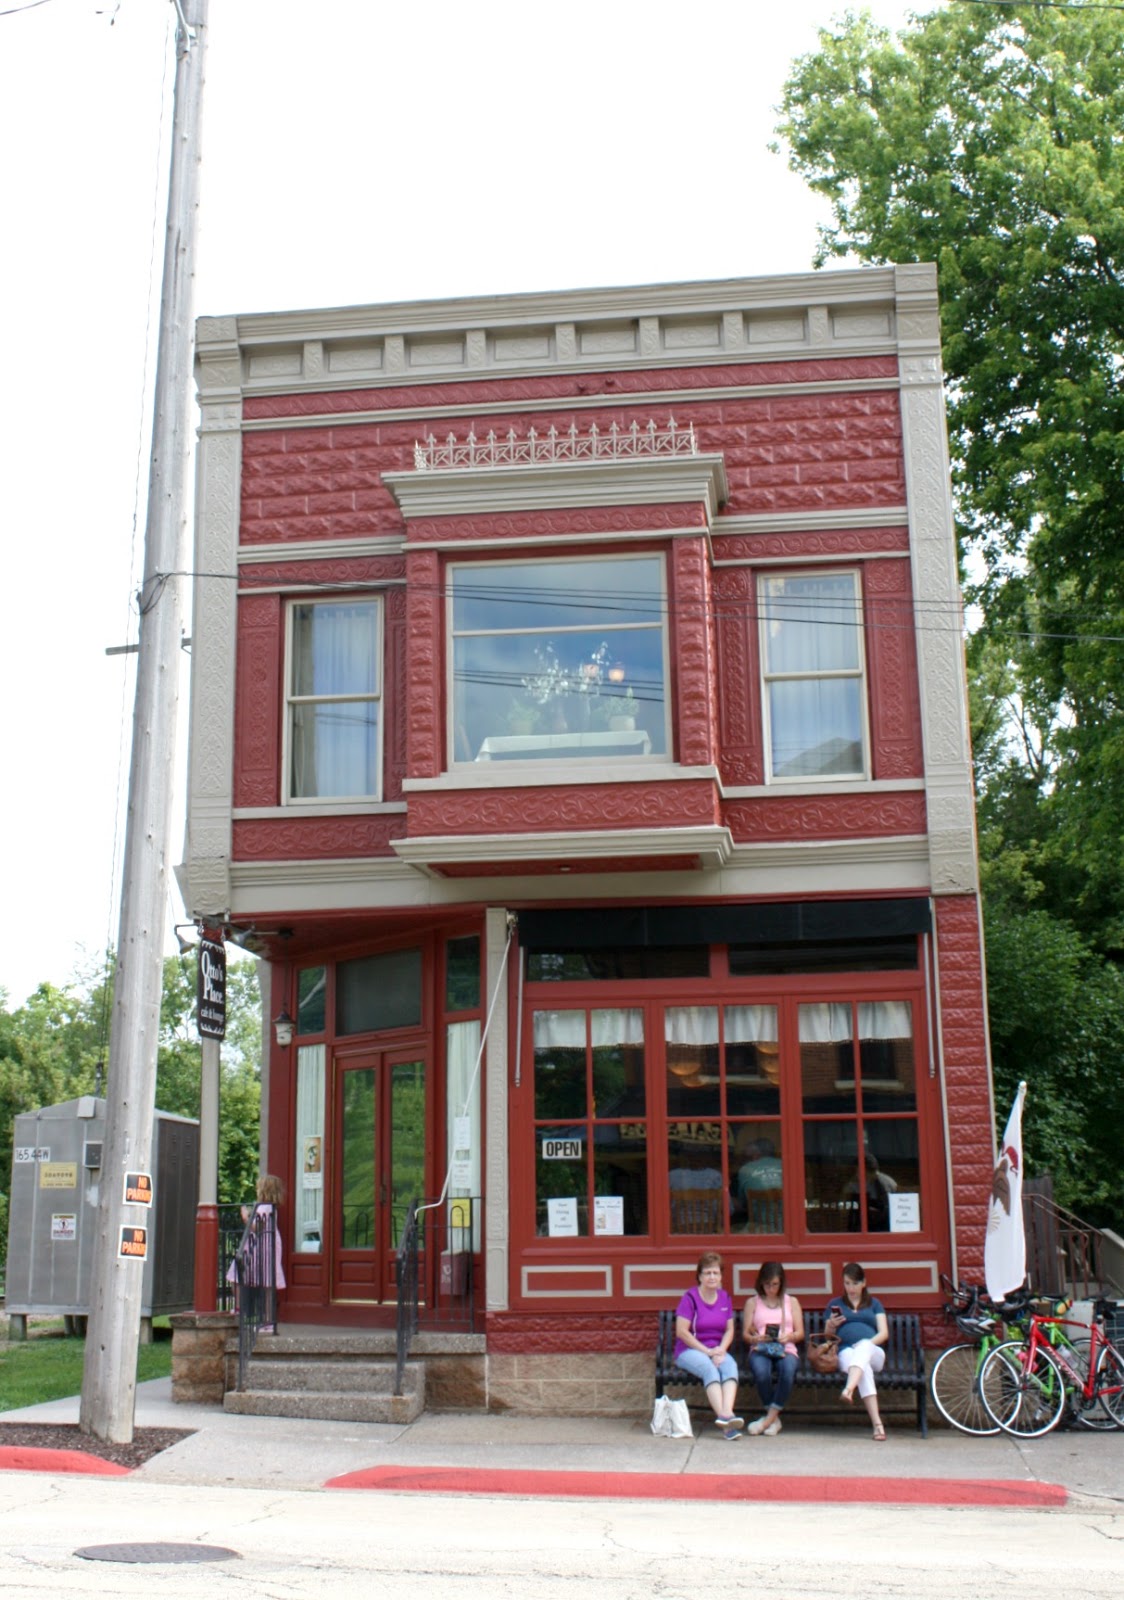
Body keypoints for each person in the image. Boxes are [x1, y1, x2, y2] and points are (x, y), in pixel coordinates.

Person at [673, 1251, 744, 1439]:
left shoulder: (724, 1297)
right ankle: (727, 1424)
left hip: (716, 1349)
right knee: (709, 1369)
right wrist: (707, 1352)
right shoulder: (690, 1298)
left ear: (721, 1276)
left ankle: (726, 1413)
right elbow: (682, 1332)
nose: (712, 1277)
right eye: (707, 1273)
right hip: (690, 1350)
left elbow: (729, 1329)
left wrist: (721, 1350)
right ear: (699, 1276)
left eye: (715, 1273)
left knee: (730, 1365)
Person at [824, 1260, 889, 1440]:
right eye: (847, 1283)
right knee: (863, 1368)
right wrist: (831, 1325)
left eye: (855, 1283)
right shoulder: (835, 1304)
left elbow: (884, 1333)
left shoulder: (874, 1304)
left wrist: (865, 1344)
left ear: (864, 1283)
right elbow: (828, 1337)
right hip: (846, 1352)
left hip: (874, 1352)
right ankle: (877, 1425)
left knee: (864, 1347)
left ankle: (849, 1388)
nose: (851, 1288)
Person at [742, 1260, 804, 1436]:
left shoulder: (791, 1302)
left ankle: (767, 1420)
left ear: (781, 1283)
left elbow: (800, 1333)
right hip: (761, 1348)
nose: (771, 1289)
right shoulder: (753, 1302)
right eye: (767, 1284)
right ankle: (774, 1420)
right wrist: (755, 1338)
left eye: (775, 1284)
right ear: (761, 1282)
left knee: (787, 1371)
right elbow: (746, 1334)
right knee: (762, 1373)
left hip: (786, 1347)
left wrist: (789, 1336)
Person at [227, 1174, 287, 1332]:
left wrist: (245, 1217)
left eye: (259, 1187)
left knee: (243, 1275)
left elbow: (258, 1227)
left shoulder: (265, 1207)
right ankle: (263, 1318)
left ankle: (248, 1313)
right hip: (261, 1245)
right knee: (263, 1281)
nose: (256, 1190)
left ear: (264, 1190)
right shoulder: (268, 1207)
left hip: (261, 1246)